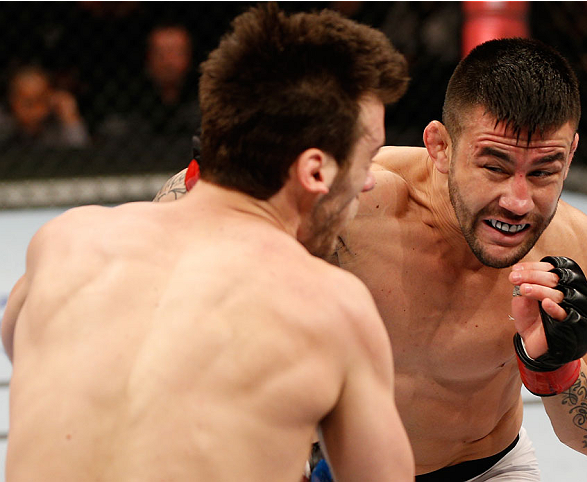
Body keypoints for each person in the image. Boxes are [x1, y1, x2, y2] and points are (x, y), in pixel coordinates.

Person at [159, 36, 587, 481]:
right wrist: (224, 173)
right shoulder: (355, 199)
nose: (517, 201)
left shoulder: (569, 249)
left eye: (543, 171)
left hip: (483, 469)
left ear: (571, 154)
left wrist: (560, 368)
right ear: (440, 146)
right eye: (493, 167)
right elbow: (170, 236)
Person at [1, 3, 414, 482]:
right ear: (315, 171)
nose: (368, 183)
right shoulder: (332, 306)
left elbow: (32, 353)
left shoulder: (64, 243)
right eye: (367, 158)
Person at [0, 65, 89, 148]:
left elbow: (81, 155)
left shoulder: (56, 125)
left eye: (41, 101)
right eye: (28, 103)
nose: (35, 110)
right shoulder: (4, 123)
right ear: (12, 101)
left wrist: (70, 118)